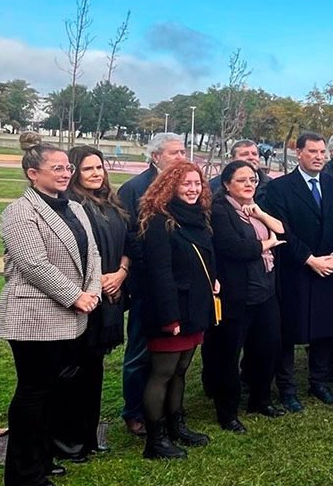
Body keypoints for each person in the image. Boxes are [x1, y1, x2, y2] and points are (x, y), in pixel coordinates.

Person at [0, 134, 102, 486]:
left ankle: (42, 459)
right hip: (34, 318)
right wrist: (76, 296)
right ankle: (23, 475)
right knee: (33, 393)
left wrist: (93, 289)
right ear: (32, 173)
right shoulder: (19, 212)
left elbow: (94, 256)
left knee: (54, 393)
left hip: (72, 318)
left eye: (67, 167)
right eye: (56, 168)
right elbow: (34, 265)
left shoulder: (74, 207)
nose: (65, 173)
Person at [51, 146, 129, 462]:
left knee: (94, 371)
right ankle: (67, 442)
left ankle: (88, 436)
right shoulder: (70, 207)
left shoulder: (112, 205)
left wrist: (122, 273)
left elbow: (130, 243)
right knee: (72, 372)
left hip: (110, 295)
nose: (96, 173)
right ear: (74, 174)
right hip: (82, 299)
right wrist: (99, 283)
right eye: (88, 169)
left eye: (99, 167)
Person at [137, 161, 218, 459]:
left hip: (196, 306)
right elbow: (159, 273)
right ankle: (155, 441)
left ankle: (176, 426)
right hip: (171, 309)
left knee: (181, 370)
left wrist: (214, 276)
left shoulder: (198, 217)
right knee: (162, 372)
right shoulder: (160, 220)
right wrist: (170, 317)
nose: (193, 189)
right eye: (186, 184)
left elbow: (207, 253)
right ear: (170, 186)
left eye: (197, 183)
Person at [262, 131, 333, 411]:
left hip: (329, 269)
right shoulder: (280, 188)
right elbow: (282, 230)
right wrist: (310, 259)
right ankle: (287, 389)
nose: (319, 157)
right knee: (288, 331)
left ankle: (319, 382)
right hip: (295, 270)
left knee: (325, 330)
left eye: (323, 152)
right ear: (298, 153)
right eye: (313, 152)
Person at [203, 160, 286, 433]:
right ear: (227, 184)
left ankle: (260, 400)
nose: (249, 184)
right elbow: (233, 247)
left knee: (268, 346)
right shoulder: (220, 210)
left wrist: (260, 215)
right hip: (236, 294)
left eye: (252, 179)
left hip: (265, 289)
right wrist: (267, 244)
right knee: (228, 353)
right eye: (242, 180)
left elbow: (282, 229)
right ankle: (227, 413)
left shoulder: (254, 208)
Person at [118, 132, 186, 437]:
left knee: (173, 351)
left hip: (181, 284)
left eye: (184, 151)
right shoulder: (134, 189)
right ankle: (134, 411)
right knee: (140, 350)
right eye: (174, 153)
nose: (181, 158)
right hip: (148, 284)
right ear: (155, 156)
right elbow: (129, 236)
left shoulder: (188, 186)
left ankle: (169, 408)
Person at [208, 140, 272, 204]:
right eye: (245, 154)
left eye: (254, 154)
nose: (251, 157)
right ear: (232, 159)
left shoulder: (271, 186)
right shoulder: (213, 186)